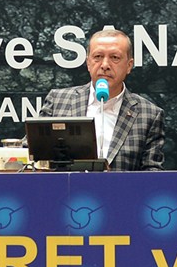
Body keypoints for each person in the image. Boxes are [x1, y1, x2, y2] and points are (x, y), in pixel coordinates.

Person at [39, 29, 164, 171]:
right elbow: (30, 154)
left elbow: (152, 173)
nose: (105, 65)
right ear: (88, 63)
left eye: (115, 57)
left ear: (129, 65)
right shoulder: (58, 101)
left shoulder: (149, 114)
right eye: (98, 57)